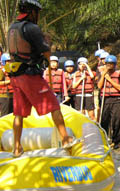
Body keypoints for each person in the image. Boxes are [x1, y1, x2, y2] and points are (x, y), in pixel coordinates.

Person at [7, 0, 77, 157]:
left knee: (18, 114)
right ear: (32, 12)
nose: (38, 16)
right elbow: (46, 53)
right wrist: (47, 46)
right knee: (54, 105)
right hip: (30, 75)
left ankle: (17, 147)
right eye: (37, 12)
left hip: (16, 76)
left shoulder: (11, 28)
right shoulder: (31, 28)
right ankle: (65, 139)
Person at [98, 55, 120, 149]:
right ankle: (104, 139)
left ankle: (116, 140)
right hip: (105, 99)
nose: (109, 66)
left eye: (111, 64)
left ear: (115, 64)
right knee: (104, 120)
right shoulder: (102, 73)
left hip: (116, 100)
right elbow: (99, 87)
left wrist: (109, 80)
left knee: (116, 121)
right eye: (108, 64)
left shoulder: (119, 74)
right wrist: (103, 75)